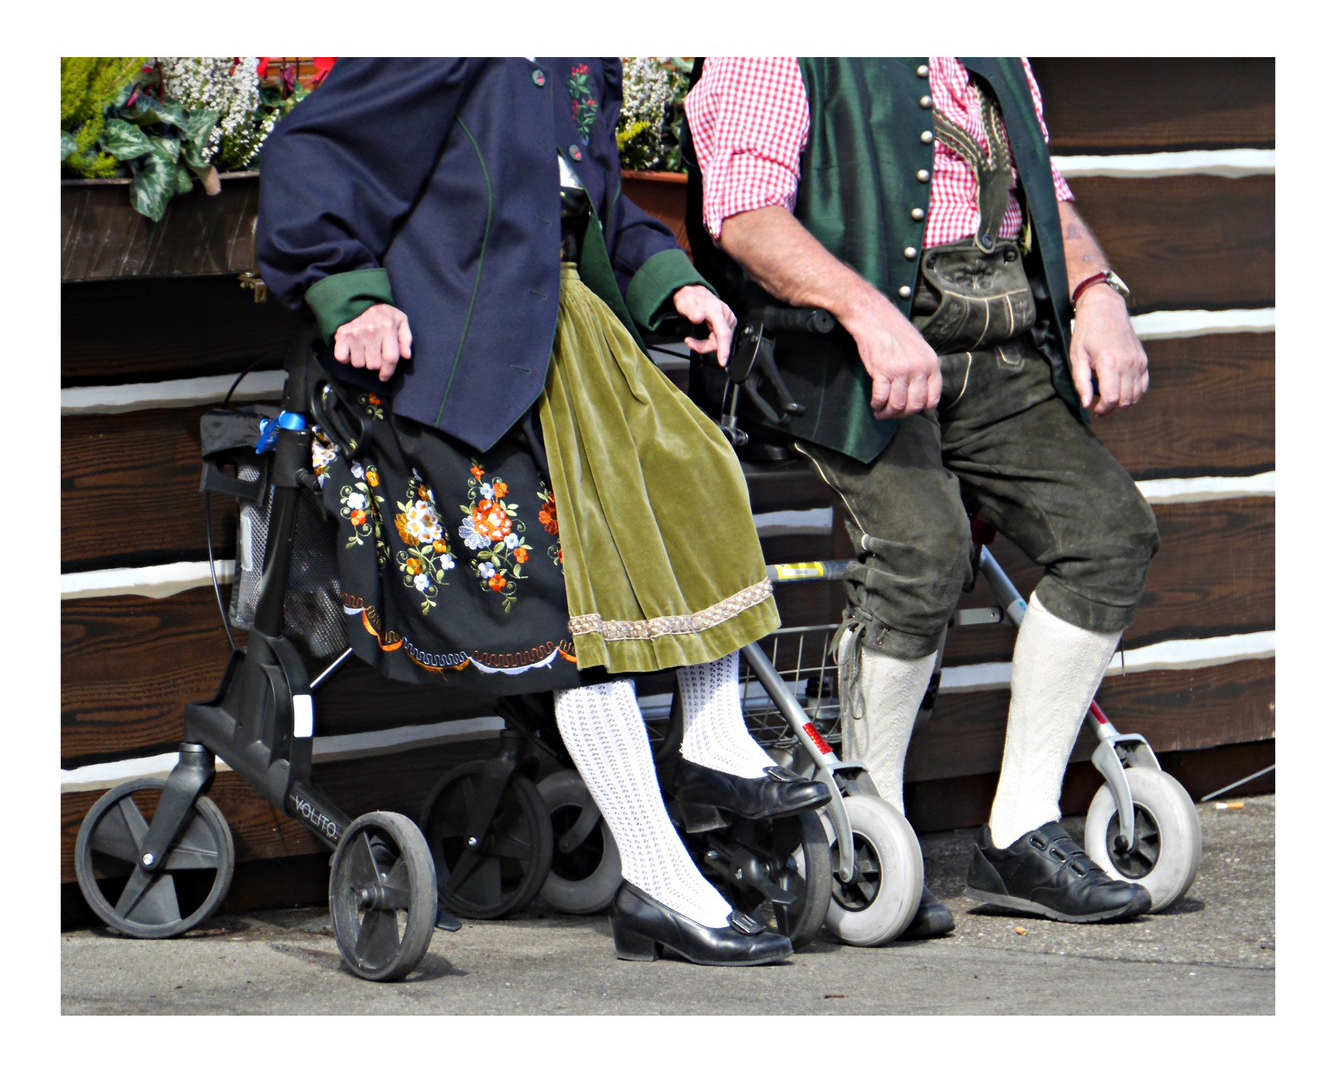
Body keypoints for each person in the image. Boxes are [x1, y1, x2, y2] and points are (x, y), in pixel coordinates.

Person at [256, 57, 830, 966]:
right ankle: (659, 881)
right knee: (565, 607)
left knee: (695, 478)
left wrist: (671, 281)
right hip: (457, 360)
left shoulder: (575, 58)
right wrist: (348, 293)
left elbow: (596, 203)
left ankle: (712, 733)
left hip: (567, 335)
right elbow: (312, 152)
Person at [684, 58, 1160, 933]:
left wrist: (1097, 291)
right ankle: (871, 829)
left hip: (997, 347)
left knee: (1109, 533)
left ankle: (1020, 834)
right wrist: (868, 315)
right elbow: (745, 214)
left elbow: (1039, 189)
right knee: (923, 545)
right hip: (833, 353)